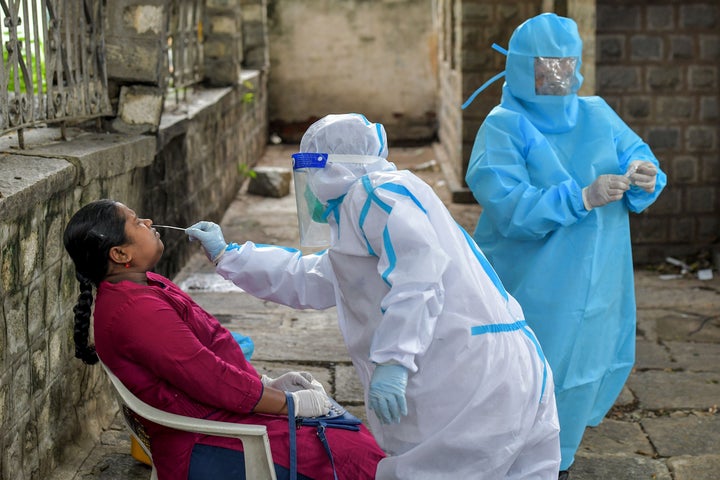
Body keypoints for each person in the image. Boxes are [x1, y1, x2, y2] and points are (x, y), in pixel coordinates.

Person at [186, 113, 561, 479]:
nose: (310, 187)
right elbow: (311, 278)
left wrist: (394, 360)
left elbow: (419, 273)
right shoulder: (367, 212)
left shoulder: (375, 193)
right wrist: (229, 255)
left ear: (332, 169)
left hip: (471, 375)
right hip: (505, 370)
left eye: (311, 173)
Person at [462, 13, 667, 479]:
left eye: (566, 64)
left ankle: (557, 462)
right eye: (546, 67)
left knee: (583, 372)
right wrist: (580, 198)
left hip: (598, 281)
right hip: (530, 281)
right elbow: (509, 207)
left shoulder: (596, 112)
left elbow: (638, 152)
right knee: (521, 374)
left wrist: (644, 175)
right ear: (519, 68)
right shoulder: (504, 126)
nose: (560, 77)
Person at [63, 199, 385, 480]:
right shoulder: (135, 311)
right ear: (120, 254)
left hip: (220, 411)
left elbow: (208, 357)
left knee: (346, 432)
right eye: (136, 222)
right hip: (209, 442)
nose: (148, 221)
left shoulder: (145, 286)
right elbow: (211, 378)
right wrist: (288, 403)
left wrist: (267, 384)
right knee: (353, 453)